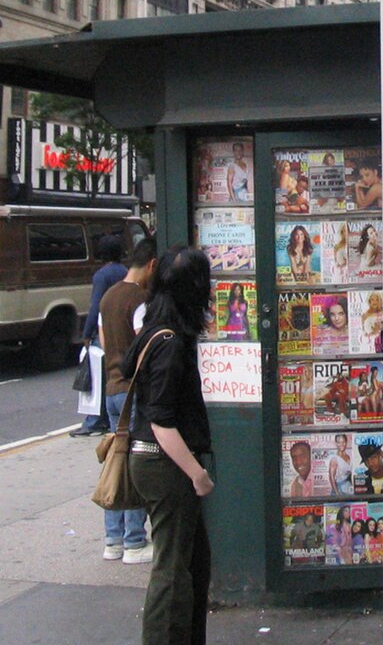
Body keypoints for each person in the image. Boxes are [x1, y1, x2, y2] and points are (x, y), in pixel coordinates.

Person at [124, 246, 215, 645]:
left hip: (157, 462)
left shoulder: (154, 328)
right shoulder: (170, 342)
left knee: (193, 562)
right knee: (173, 569)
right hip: (166, 465)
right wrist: (197, 474)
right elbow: (162, 420)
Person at [98, 236, 157, 564]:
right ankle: (135, 541)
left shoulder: (108, 297)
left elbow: (105, 339)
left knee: (116, 461)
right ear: (151, 265)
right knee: (134, 465)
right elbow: (143, 344)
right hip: (133, 390)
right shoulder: (140, 299)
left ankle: (113, 540)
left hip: (111, 388)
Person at [71, 235, 127, 438]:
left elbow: (96, 307)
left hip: (102, 329)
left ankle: (94, 420)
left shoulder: (102, 276)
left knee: (97, 376)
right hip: (120, 327)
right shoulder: (124, 272)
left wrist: (86, 334)